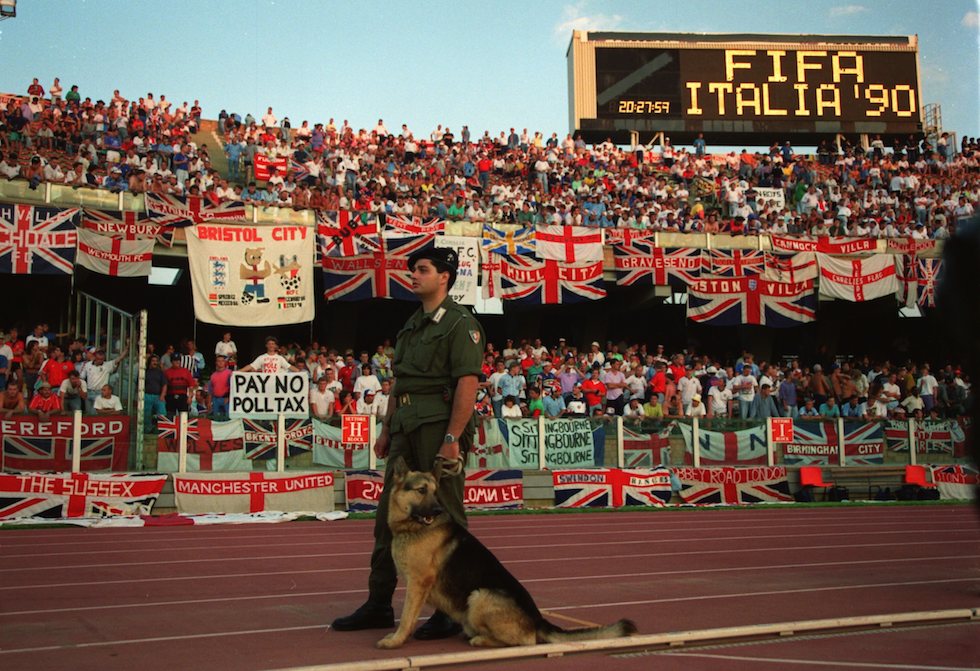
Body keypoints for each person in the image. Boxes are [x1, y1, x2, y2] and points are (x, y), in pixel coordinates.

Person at [332, 246, 484, 640]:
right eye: (413, 269)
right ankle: (379, 602)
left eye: (422, 269)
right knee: (390, 514)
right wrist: (386, 429)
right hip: (404, 425)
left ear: (444, 276)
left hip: (438, 425)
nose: (413, 275)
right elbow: (400, 382)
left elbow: (468, 383)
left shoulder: (460, 323)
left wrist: (452, 438)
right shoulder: (412, 325)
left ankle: (449, 608)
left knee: (444, 517)